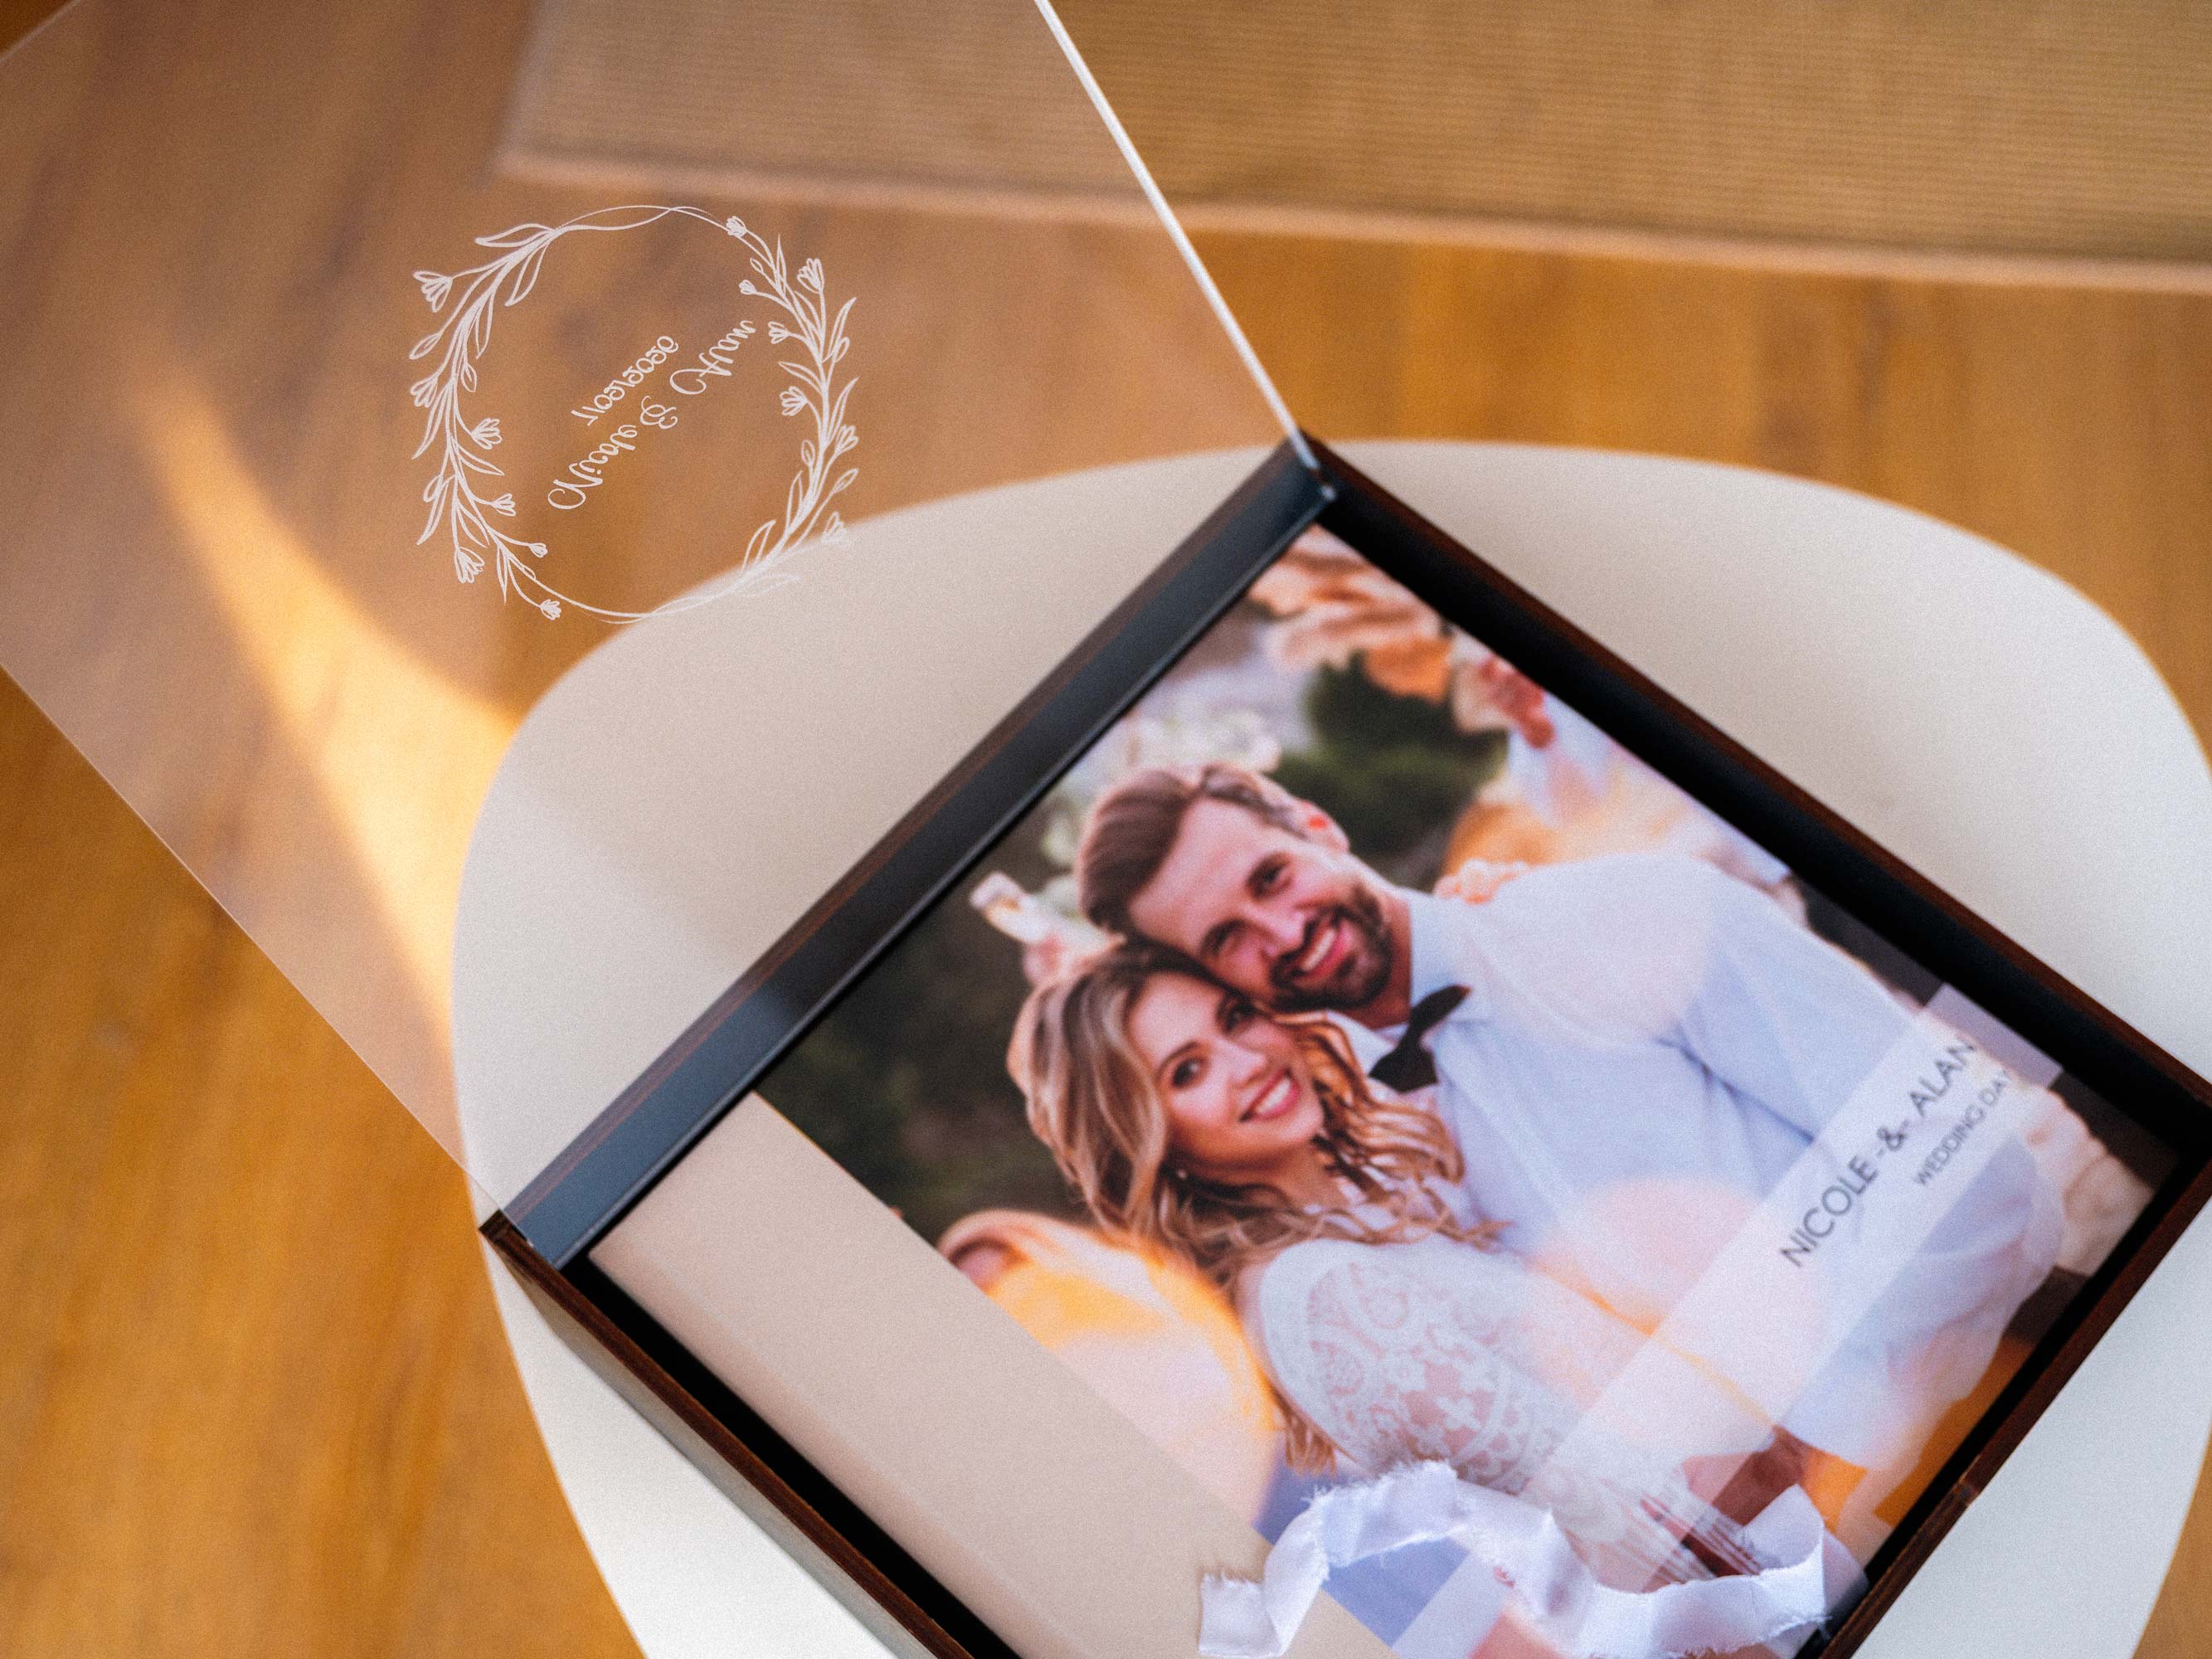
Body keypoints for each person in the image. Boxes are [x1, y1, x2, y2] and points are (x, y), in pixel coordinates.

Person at [1072, 762, 2068, 1514]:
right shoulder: (1377, 1145)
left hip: (2027, 1391)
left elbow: (1959, 1153)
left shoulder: (1620, 914)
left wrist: (1822, 1443)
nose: (1279, 930)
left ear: (1321, 826)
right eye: (1227, 938)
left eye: (1274, 876)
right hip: (1825, 1553)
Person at [1009, 946, 1822, 1601]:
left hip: (1782, 1522)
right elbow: (1607, 1516)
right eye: (1186, 1070)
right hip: (1762, 1585)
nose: (1245, 1058)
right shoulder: (1316, 1295)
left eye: (1236, 1016)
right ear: (1150, 1139)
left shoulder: (1354, 1225)